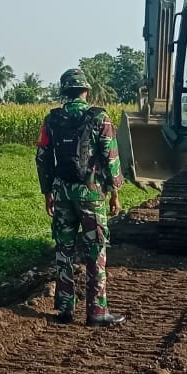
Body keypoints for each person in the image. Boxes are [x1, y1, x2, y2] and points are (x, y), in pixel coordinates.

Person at [36, 68, 125, 325]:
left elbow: (42, 158)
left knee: (63, 250)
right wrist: (114, 193)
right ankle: (97, 311)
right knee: (95, 250)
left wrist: (48, 193)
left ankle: (65, 308)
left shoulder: (52, 120)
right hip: (91, 194)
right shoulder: (100, 117)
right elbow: (111, 158)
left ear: (64, 92)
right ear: (86, 91)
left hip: (62, 193)